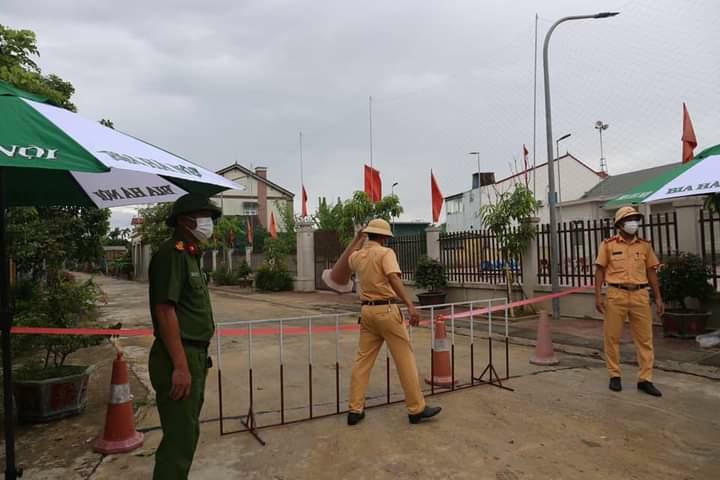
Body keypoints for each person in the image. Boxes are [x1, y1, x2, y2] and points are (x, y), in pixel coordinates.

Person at [326, 218, 441, 425]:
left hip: (367, 312)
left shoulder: (357, 256)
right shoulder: (386, 253)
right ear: (383, 237)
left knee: (362, 362)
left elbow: (344, 264)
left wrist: (357, 239)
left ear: (368, 234)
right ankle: (416, 409)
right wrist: (410, 305)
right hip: (387, 311)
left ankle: (355, 409)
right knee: (405, 360)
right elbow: (393, 278)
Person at [148, 193, 221, 479]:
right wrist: (180, 366)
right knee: (180, 439)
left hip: (195, 355)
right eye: (204, 216)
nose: (208, 223)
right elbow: (165, 311)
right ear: (185, 220)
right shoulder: (172, 254)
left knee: (186, 433)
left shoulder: (191, 255)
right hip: (179, 355)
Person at [594, 206, 664, 397]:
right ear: (619, 224)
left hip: (640, 294)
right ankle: (614, 375)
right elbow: (600, 270)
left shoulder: (645, 246)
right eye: (629, 219)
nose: (633, 223)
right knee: (612, 337)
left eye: (635, 219)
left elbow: (651, 271)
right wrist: (598, 295)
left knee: (645, 339)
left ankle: (645, 379)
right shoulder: (608, 245)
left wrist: (658, 297)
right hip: (616, 293)